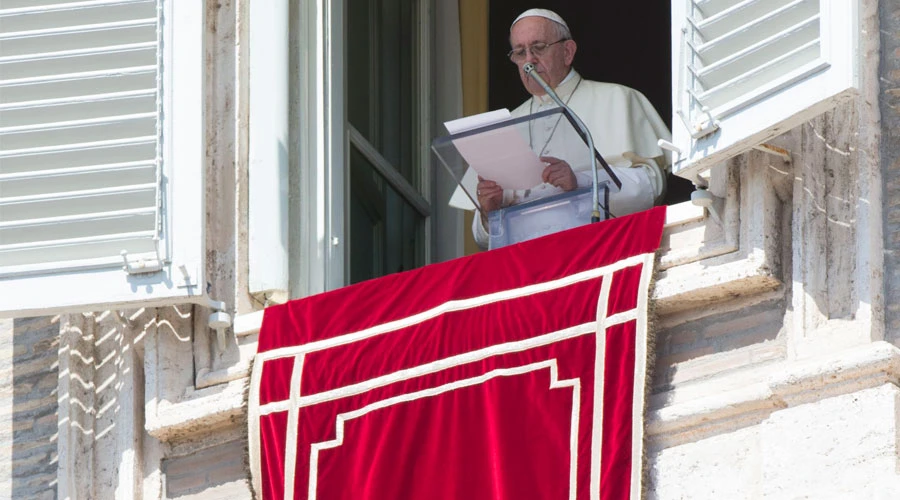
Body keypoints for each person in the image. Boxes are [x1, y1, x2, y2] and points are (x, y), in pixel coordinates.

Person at [471, 8, 671, 248]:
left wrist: (581, 182)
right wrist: (488, 211)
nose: (529, 60)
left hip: (599, 249)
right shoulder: (505, 126)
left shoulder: (617, 98)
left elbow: (651, 187)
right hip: (526, 265)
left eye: (538, 47)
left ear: (567, 52)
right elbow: (483, 238)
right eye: (520, 52)